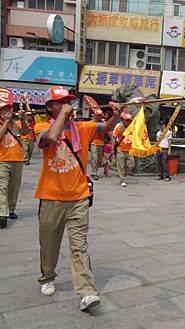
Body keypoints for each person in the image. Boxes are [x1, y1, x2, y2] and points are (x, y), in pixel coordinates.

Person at [34, 85, 121, 311]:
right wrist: (63, 113)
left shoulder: (81, 127)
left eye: (68, 101)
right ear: (50, 107)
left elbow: (103, 130)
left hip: (79, 197)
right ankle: (47, 276)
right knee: (49, 245)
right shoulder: (41, 126)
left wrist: (117, 115)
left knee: (79, 246)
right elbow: (52, 137)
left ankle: (87, 291)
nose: (67, 105)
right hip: (51, 196)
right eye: (61, 102)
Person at [0, 103, 30, 228]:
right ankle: (3, 214)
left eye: (8, 111)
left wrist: (22, 119)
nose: (7, 113)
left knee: (14, 187)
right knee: (3, 187)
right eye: (4, 111)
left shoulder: (16, 124)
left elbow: (26, 131)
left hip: (17, 159)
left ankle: (11, 209)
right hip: (1, 160)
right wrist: (6, 122)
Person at [113, 111, 134, 187]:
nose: (128, 122)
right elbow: (114, 137)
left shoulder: (133, 129)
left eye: (130, 121)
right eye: (127, 120)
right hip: (120, 150)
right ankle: (123, 180)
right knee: (121, 166)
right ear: (124, 120)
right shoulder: (119, 128)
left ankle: (124, 176)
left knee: (131, 164)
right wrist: (113, 149)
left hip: (130, 150)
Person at [89, 109, 105, 180]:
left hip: (101, 143)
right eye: (98, 115)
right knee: (95, 158)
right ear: (95, 116)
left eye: (100, 115)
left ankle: (95, 171)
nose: (100, 117)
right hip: (94, 143)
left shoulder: (104, 123)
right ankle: (93, 173)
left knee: (98, 159)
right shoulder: (91, 123)